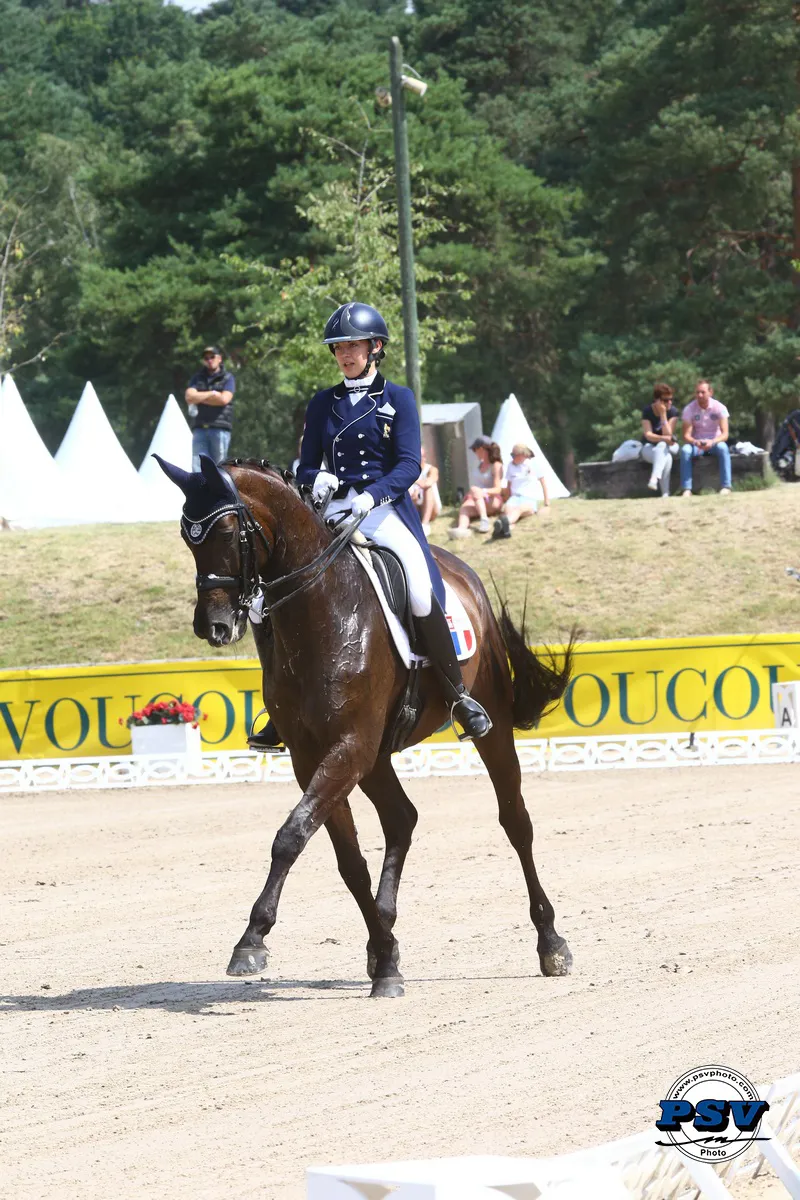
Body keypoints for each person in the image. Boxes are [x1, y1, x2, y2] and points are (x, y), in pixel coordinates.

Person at [283, 301, 490, 743]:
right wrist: (314, 476)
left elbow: (408, 464)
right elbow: (304, 465)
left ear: (375, 347)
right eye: (338, 347)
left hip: (382, 511)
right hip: (332, 510)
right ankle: (280, 701)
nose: (345, 354)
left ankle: (457, 695)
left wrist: (372, 495)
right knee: (277, 588)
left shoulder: (398, 398)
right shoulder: (323, 403)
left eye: (353, 345)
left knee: (418, 586)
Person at [185, 345, 236, 471]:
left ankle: (219, 491)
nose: (209, 360)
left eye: (212, 357)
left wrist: (200, 397)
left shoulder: (228, 378)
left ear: (219, 359)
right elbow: (189, 397)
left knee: (219, 468)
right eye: (206, 358)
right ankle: (200, 491)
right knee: (198, 468)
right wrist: (212, 394)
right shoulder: (197, 377)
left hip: (219, 429)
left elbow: (224, 399)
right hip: (200, 428)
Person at [680, 379, 731, 496]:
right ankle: (686, 488)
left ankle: (726, 486)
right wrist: (695, 441)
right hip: (697, 443)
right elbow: (686, 435)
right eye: (697, 392)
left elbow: (725, 434)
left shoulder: (719, 408)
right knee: (685, 450)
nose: (700, 395)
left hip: (715, 442)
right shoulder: (689, 409)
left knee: (723, 448)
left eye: (703, 392)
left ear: (710, 392)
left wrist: (712, 442)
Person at [448, 435, 504, 538]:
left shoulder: (496, 465)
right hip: (478, 499)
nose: (474, 453)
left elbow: (498, 489)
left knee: (474, 490)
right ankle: (462, 529)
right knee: (464, 508)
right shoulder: (480, 465)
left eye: (475, 450)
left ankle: (484, 519)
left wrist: (481, 491)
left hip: (492, 499)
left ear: (481, 449)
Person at [492, 443, 550, 538]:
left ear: (523, 455)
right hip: (514, 498)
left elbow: (543, 482)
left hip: (528, 498)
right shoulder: (510, 466)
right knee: (508, 510)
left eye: (514, 455)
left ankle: (503, 525)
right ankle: (506, 529)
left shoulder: (533, 464)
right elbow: (509, 485)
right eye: (512, 455)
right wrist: (506, 499)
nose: (512, 457)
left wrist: (546, 501)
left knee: (519, 510)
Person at [640, 382, 679, 496]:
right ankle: (665, 494)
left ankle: (654, 478)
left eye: (671, 399)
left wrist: (663, 415)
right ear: (656, 400)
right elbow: (648, 435)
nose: (669, 402)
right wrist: (663, 438)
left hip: (670, 446)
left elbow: (669, 434)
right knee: (667, 457)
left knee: (663, 446)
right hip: (649, 447)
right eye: (665, 400)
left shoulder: (673, 411)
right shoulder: (647, 411)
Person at [409, 447, 442, 536]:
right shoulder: (409, 471)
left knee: (428, 489)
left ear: (424, 457)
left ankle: (425, 524)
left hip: (431, 508)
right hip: (416, 506)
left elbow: (428, 483)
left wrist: (414, 484)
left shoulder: (431, 469)